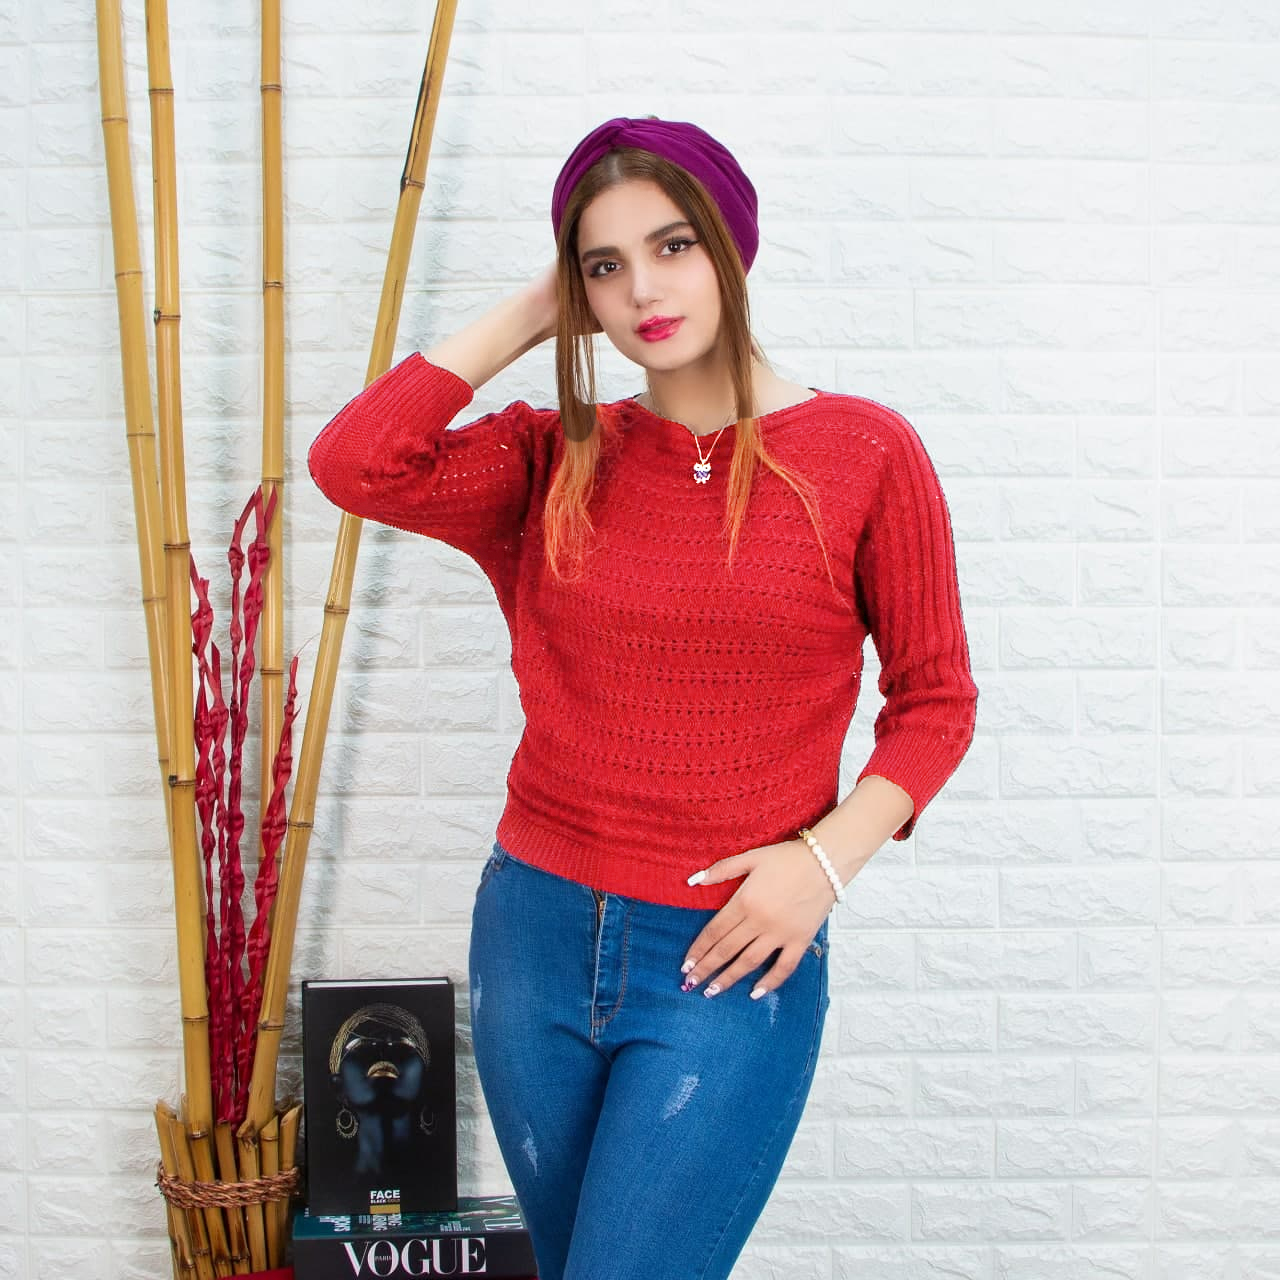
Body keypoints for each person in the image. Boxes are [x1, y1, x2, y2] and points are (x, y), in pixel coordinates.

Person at [308, 115, 978, 1280]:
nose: (642, 291)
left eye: (672, 246)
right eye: (604, 265)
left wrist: (818, 865)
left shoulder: (863, 452)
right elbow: (355, 462)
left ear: (730, 246)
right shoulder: (550, 456)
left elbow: (935, 700)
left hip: (726, 949)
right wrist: (537, 307)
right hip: (531, 932)